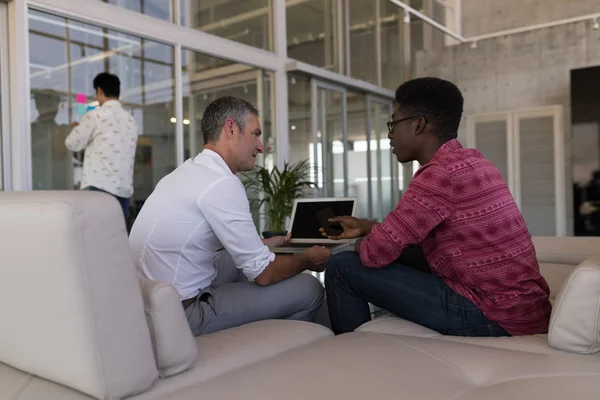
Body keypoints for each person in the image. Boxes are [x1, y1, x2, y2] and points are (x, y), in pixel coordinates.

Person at [323, 77, 552, 337]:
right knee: (409, 253)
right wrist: (367, 227)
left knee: (342, 266)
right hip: (527, 308)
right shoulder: (478, 163)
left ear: (418, 124)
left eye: (393, 124)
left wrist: (351, 245)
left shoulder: (439, 175)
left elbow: (375, 253)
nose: (389, 135)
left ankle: (351, 360)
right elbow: (409, 239)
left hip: (494, 313)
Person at [129, 96, 330, 336]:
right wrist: (308, 259)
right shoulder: (222, 183)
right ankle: (285, 348)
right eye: (256, 134)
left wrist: (263, 245)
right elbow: (264, 275)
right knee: (310, 288)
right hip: (181, 314)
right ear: (231, 128)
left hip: (147, 304)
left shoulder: (184, 173)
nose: (261, 146)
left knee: (238, 264)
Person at [65, 72, 138, 223]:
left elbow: (71, 142)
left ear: (99, 91)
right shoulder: (131, 120)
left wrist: (78, 128)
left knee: (99, 238)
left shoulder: (95, 115)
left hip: (101, 187)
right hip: (124, 190)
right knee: (117, 237)